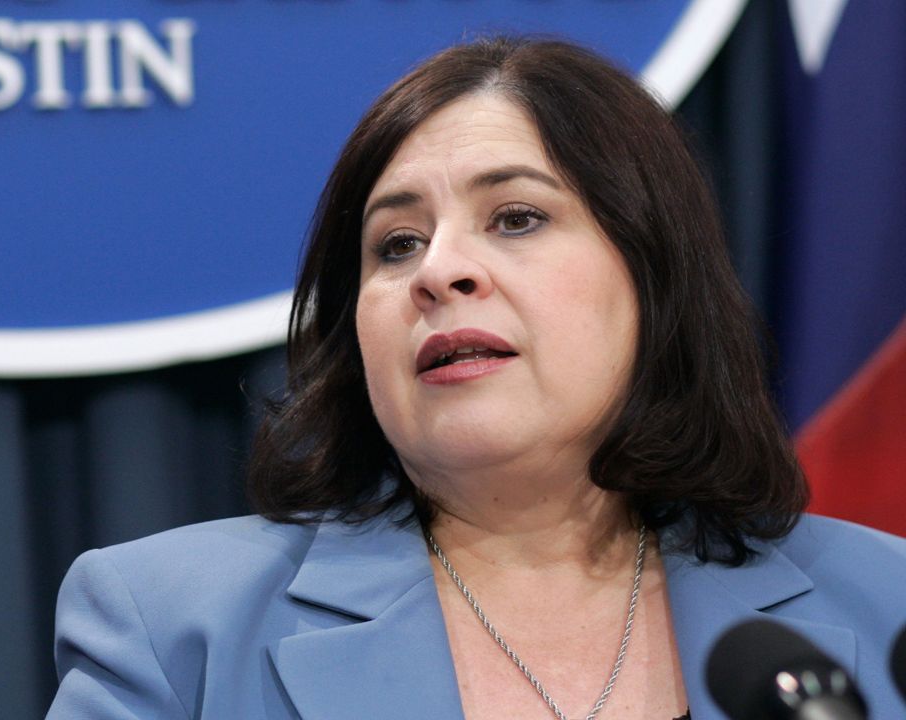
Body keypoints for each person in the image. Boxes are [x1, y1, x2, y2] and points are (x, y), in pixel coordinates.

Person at [47, 37, 906, 719]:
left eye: (517, 218)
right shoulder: (171, 627)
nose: (439, 271)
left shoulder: (883, 604)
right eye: (395, 244)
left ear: (654, 276)